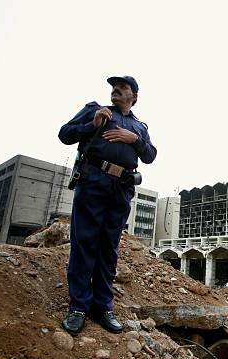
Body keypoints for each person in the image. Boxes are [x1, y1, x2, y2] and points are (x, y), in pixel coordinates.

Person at [58, 76, 157, 336]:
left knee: (108, 248)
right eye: (114, 86)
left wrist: (133, 138)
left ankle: (103, 307)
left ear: (134, 96)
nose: (116, 90)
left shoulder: (139, 126)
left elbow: (150, 155)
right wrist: (92, 124)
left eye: (123, 87)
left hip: (121, 188)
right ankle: (78, 307)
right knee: (84, 243)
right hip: (93, 182)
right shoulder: (96, 110)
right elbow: (65, 134)